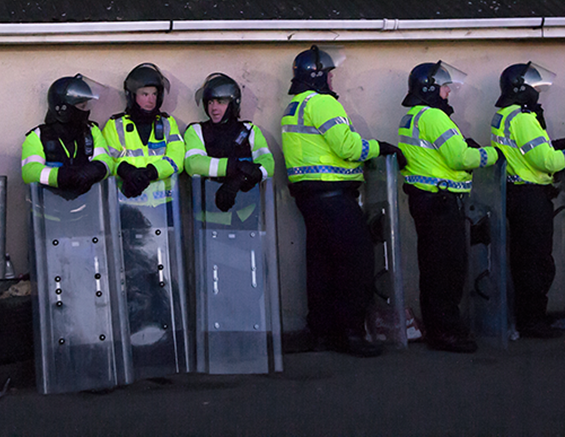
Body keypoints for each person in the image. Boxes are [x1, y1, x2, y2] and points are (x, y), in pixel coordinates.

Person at [281, 45, 401, 357]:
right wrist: (379, 148)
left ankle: (321, 331)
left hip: (310, 199)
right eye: (331, 75)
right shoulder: (323, 104)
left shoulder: (294, 106)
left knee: (321, 267)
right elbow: (347, 147)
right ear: (320, 76)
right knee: (356, 264)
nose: (334, 82)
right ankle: (350, 333)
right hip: (334, 198)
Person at [397, 61, 497, 353]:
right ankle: (447, 333)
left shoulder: (412, 116)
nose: (448, 92)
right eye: (444, 87)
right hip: (442, 204)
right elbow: (460, 159)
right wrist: (492, 154)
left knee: (432, 269)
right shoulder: (435, 117)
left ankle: (438, 329)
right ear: (430, 88)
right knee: (448, 270)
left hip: (425, 201)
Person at [489, 62, 565, 338]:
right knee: (536, 262)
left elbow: (525, 152)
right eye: (535, 88)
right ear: (521, 89)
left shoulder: (504, 116)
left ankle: (528, 317)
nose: (538, 94)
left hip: (516, 194)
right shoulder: (523, 118)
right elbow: (546, 161)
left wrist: (557, 144)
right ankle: (533, 320)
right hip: (530, 197)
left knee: (525, 260)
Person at [183, 73, 274, 212]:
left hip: (247, 216)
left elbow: (268, 164)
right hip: (209, 216)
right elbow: (193, 164)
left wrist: (239, 179)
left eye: (221, 102)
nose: (214, 108)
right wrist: (236, 167)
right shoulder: (197, 130)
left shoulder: (249, 130)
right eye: (210, 102)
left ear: (233, 103)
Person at [103, 63, 184, 199]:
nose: (151, 100)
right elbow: (109, 160)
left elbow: (177, 159)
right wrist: (127, 171)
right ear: (132, 96)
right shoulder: (115, 124)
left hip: (164, 203)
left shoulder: (167, 123)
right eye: (145, 94)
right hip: (126, 202)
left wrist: (151, 172)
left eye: (154, 94)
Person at [21, 75, 112, 193]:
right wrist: (60, 176)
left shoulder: (91, 131)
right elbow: (29, 172)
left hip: (90, 207)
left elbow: (107, 161)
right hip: (49, 208)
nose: (86, 111)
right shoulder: (39, 135)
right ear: (64, 109)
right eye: (82, 106)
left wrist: (95, 170)